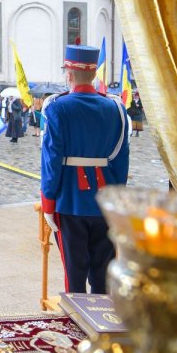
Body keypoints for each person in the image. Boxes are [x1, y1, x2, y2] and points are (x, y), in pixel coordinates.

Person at [40, 44, 130, 295]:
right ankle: (100, 316)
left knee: (74, 274)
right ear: (94, 74)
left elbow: (51, 160)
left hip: (69, 200)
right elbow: (121, 159)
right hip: (105, 202)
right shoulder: (116, 108)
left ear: (69, 74)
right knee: (103, 274)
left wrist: (48, 202)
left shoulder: (57, 107)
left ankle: (75, 316)